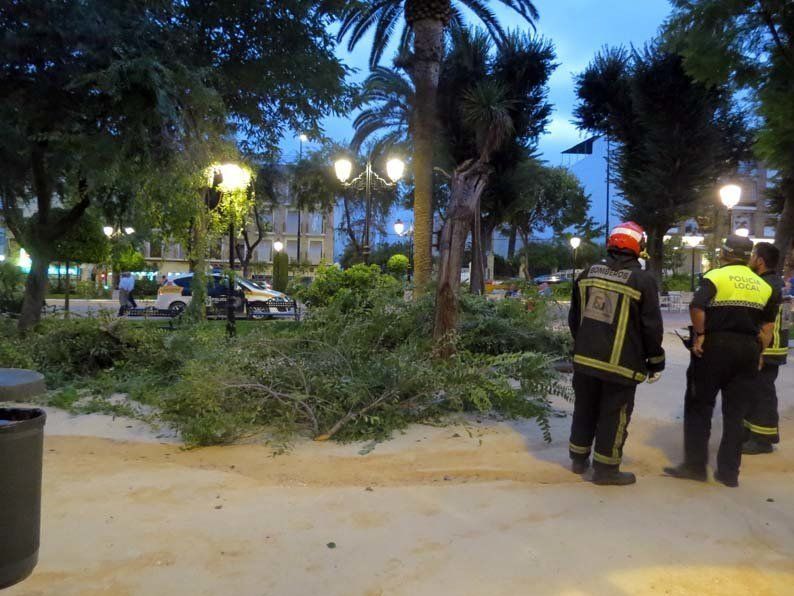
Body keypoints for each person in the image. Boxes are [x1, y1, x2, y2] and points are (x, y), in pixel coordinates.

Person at [665, 235, 776, 487]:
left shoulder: (716, 276)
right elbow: (768, 326)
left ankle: (695, 467)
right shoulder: (763, 286)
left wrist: (700, 335)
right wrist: (760, 353)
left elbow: (696, 306)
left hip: (715, 347)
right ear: (749, 257)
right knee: (735, 414)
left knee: (699, 405)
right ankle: (729, 473)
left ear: (725, 254)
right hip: (748, 349)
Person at [568, 222, 665, 486]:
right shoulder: (643, 280)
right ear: (638, 248)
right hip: (621, 365)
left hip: (585, 360)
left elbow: (574, 317)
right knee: (614, 413)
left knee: (584, 408)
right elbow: (652, 327)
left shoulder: (587, 273)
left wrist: (582, 346)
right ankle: (606, 470)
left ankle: (578, 459)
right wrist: (656, 361)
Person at [743, 243, 788, 454]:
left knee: (762, 391)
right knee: (754, 390)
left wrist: (760, 349)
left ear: (760, 260)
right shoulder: (775, 282)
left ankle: (763, 439)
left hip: (768, 347)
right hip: (772, 345)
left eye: (753, 256)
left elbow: (763, 321)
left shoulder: (766, 285)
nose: (750, 259)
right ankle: (750, 432)